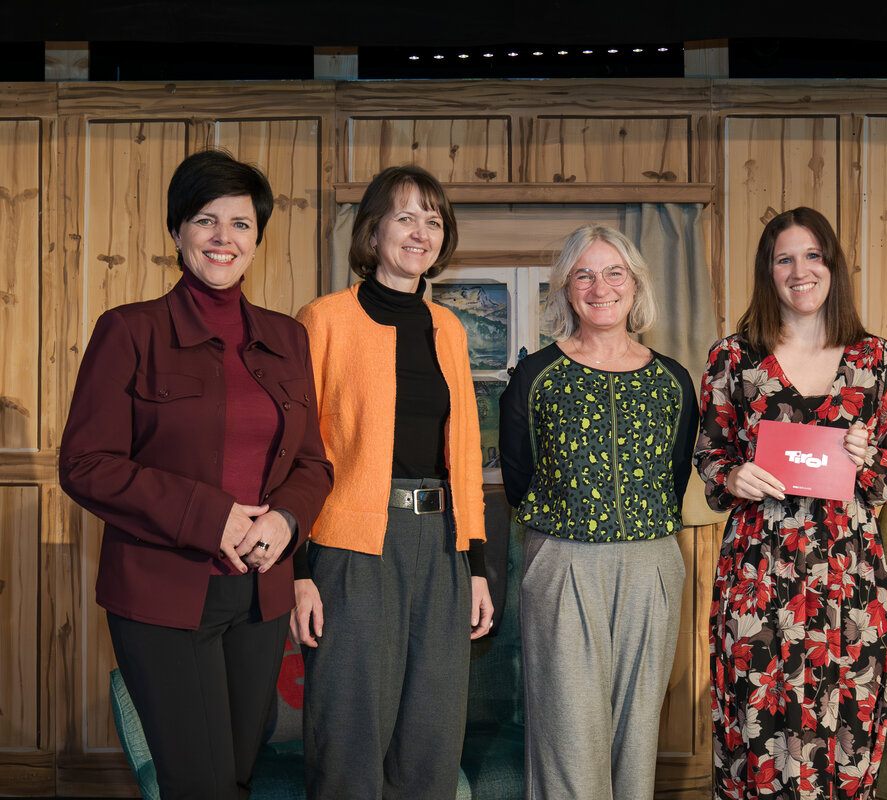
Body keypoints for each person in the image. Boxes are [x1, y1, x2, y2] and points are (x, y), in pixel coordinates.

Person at [58, 149, 333, 799]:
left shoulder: (287, 339)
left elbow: (314, 462)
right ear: (177, 231)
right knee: (200, 784)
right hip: (163, 596)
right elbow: (85, 464)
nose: (223, 238)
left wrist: (288, 521)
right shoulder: (129, 331)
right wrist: (213, 517)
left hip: (260, 598)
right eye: (206, 221)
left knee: (235, 774)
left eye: (240, 224)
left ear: (258, 239)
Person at [288, 164, 493, 800]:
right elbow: (293, 450)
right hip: (350, 546)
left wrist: (477, 565)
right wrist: (297, 572)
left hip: (441, 547)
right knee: (348, 735)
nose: (420, 232)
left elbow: (463, 452)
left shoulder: (450, 329)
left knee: (431, 739)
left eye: (434, 221)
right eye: (405, 216)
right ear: (374, 231)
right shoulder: (322, 320)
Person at [694, 207, 887, 800]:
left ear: (833, 266)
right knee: (755, 728)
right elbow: (709, 453)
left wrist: (869, 459)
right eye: (784, 258)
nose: (800, 270)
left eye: (813, 255)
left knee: (848, 723)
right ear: (768, 272)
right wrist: (733, 474)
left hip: (850, 577)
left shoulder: (880, 361)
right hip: (758, 572)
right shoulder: (733, 358)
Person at [498, 224, 699, 800]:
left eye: (614, 272)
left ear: (635, 286)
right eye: (583, 274)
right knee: (567, 734)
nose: (600, 286)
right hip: (562, 560)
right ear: (565, 289)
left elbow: (676, 472)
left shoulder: (673, 381)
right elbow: (519, 476)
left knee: (636, 735)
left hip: (653, 564)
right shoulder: (536, 376)